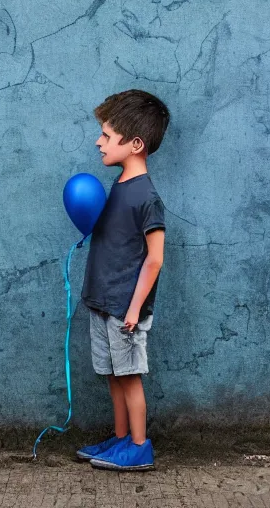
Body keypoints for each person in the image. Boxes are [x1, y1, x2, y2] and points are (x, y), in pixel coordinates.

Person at [76, 89, 170, 471]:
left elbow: (155, 258)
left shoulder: (147, 197)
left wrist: (133, 308)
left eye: (107, 135)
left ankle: (138, 445)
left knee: (129, 378)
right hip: (103, 301)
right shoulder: (115, 188)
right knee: (113, 376)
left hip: (125, 309)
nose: (99, 141)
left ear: (135, 144)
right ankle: (119, 440)